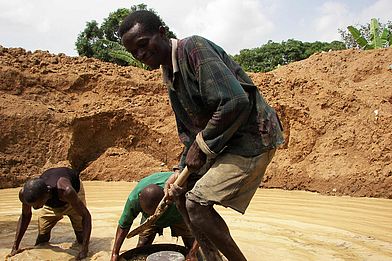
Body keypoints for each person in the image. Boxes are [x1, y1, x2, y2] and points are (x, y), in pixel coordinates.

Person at [118, 10, 284, 261]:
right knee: (181, 195)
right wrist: (181, 168)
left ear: (162, 33)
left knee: (197, 203)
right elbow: (189, 132)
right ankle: (209, 259)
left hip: (252, 137)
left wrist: (202, 146)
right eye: (135, 52)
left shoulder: (193, 48)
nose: (141, 55)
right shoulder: (169, 73)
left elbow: (234, 101)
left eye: (143, 44)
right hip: (225, 141)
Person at [110, 171, 197, 261]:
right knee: (142, 247)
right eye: (150, 213)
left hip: (179, 214)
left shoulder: (180, 191)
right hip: (149, 220)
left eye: (156, 214)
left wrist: (193, 252)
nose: (155, 217)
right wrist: (115, 253)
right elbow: (124, 225)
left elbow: (201, 225)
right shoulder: (134, 199)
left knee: (191, 248)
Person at [10, 167, 91, 260]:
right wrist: (15, 246)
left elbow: (86, 216)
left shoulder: (66, 191)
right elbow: (25, 215)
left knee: (81, 239)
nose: (35, 208)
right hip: (49, 203)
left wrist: (84, 250)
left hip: (71, 199)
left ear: (47, 194)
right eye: (33, 206)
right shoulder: (25, 195)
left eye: (37, 205)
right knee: (42, 239)